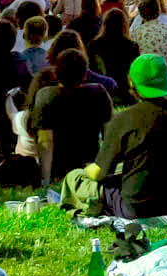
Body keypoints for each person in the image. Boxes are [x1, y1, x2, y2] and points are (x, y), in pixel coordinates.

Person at [68, 56, 167, 220]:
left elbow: (99, 173)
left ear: (132, 84)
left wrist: (84, 170)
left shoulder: (124, 120)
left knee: (74, 178)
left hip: (137, 207)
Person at [23, 49, 113, 193]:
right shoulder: (99, 93)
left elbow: (46, 142)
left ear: (56, 72)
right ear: (84, 73)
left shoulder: (46, 96)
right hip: (89, 168)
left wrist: (46, 180)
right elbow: (109, 137)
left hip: (58, 170)